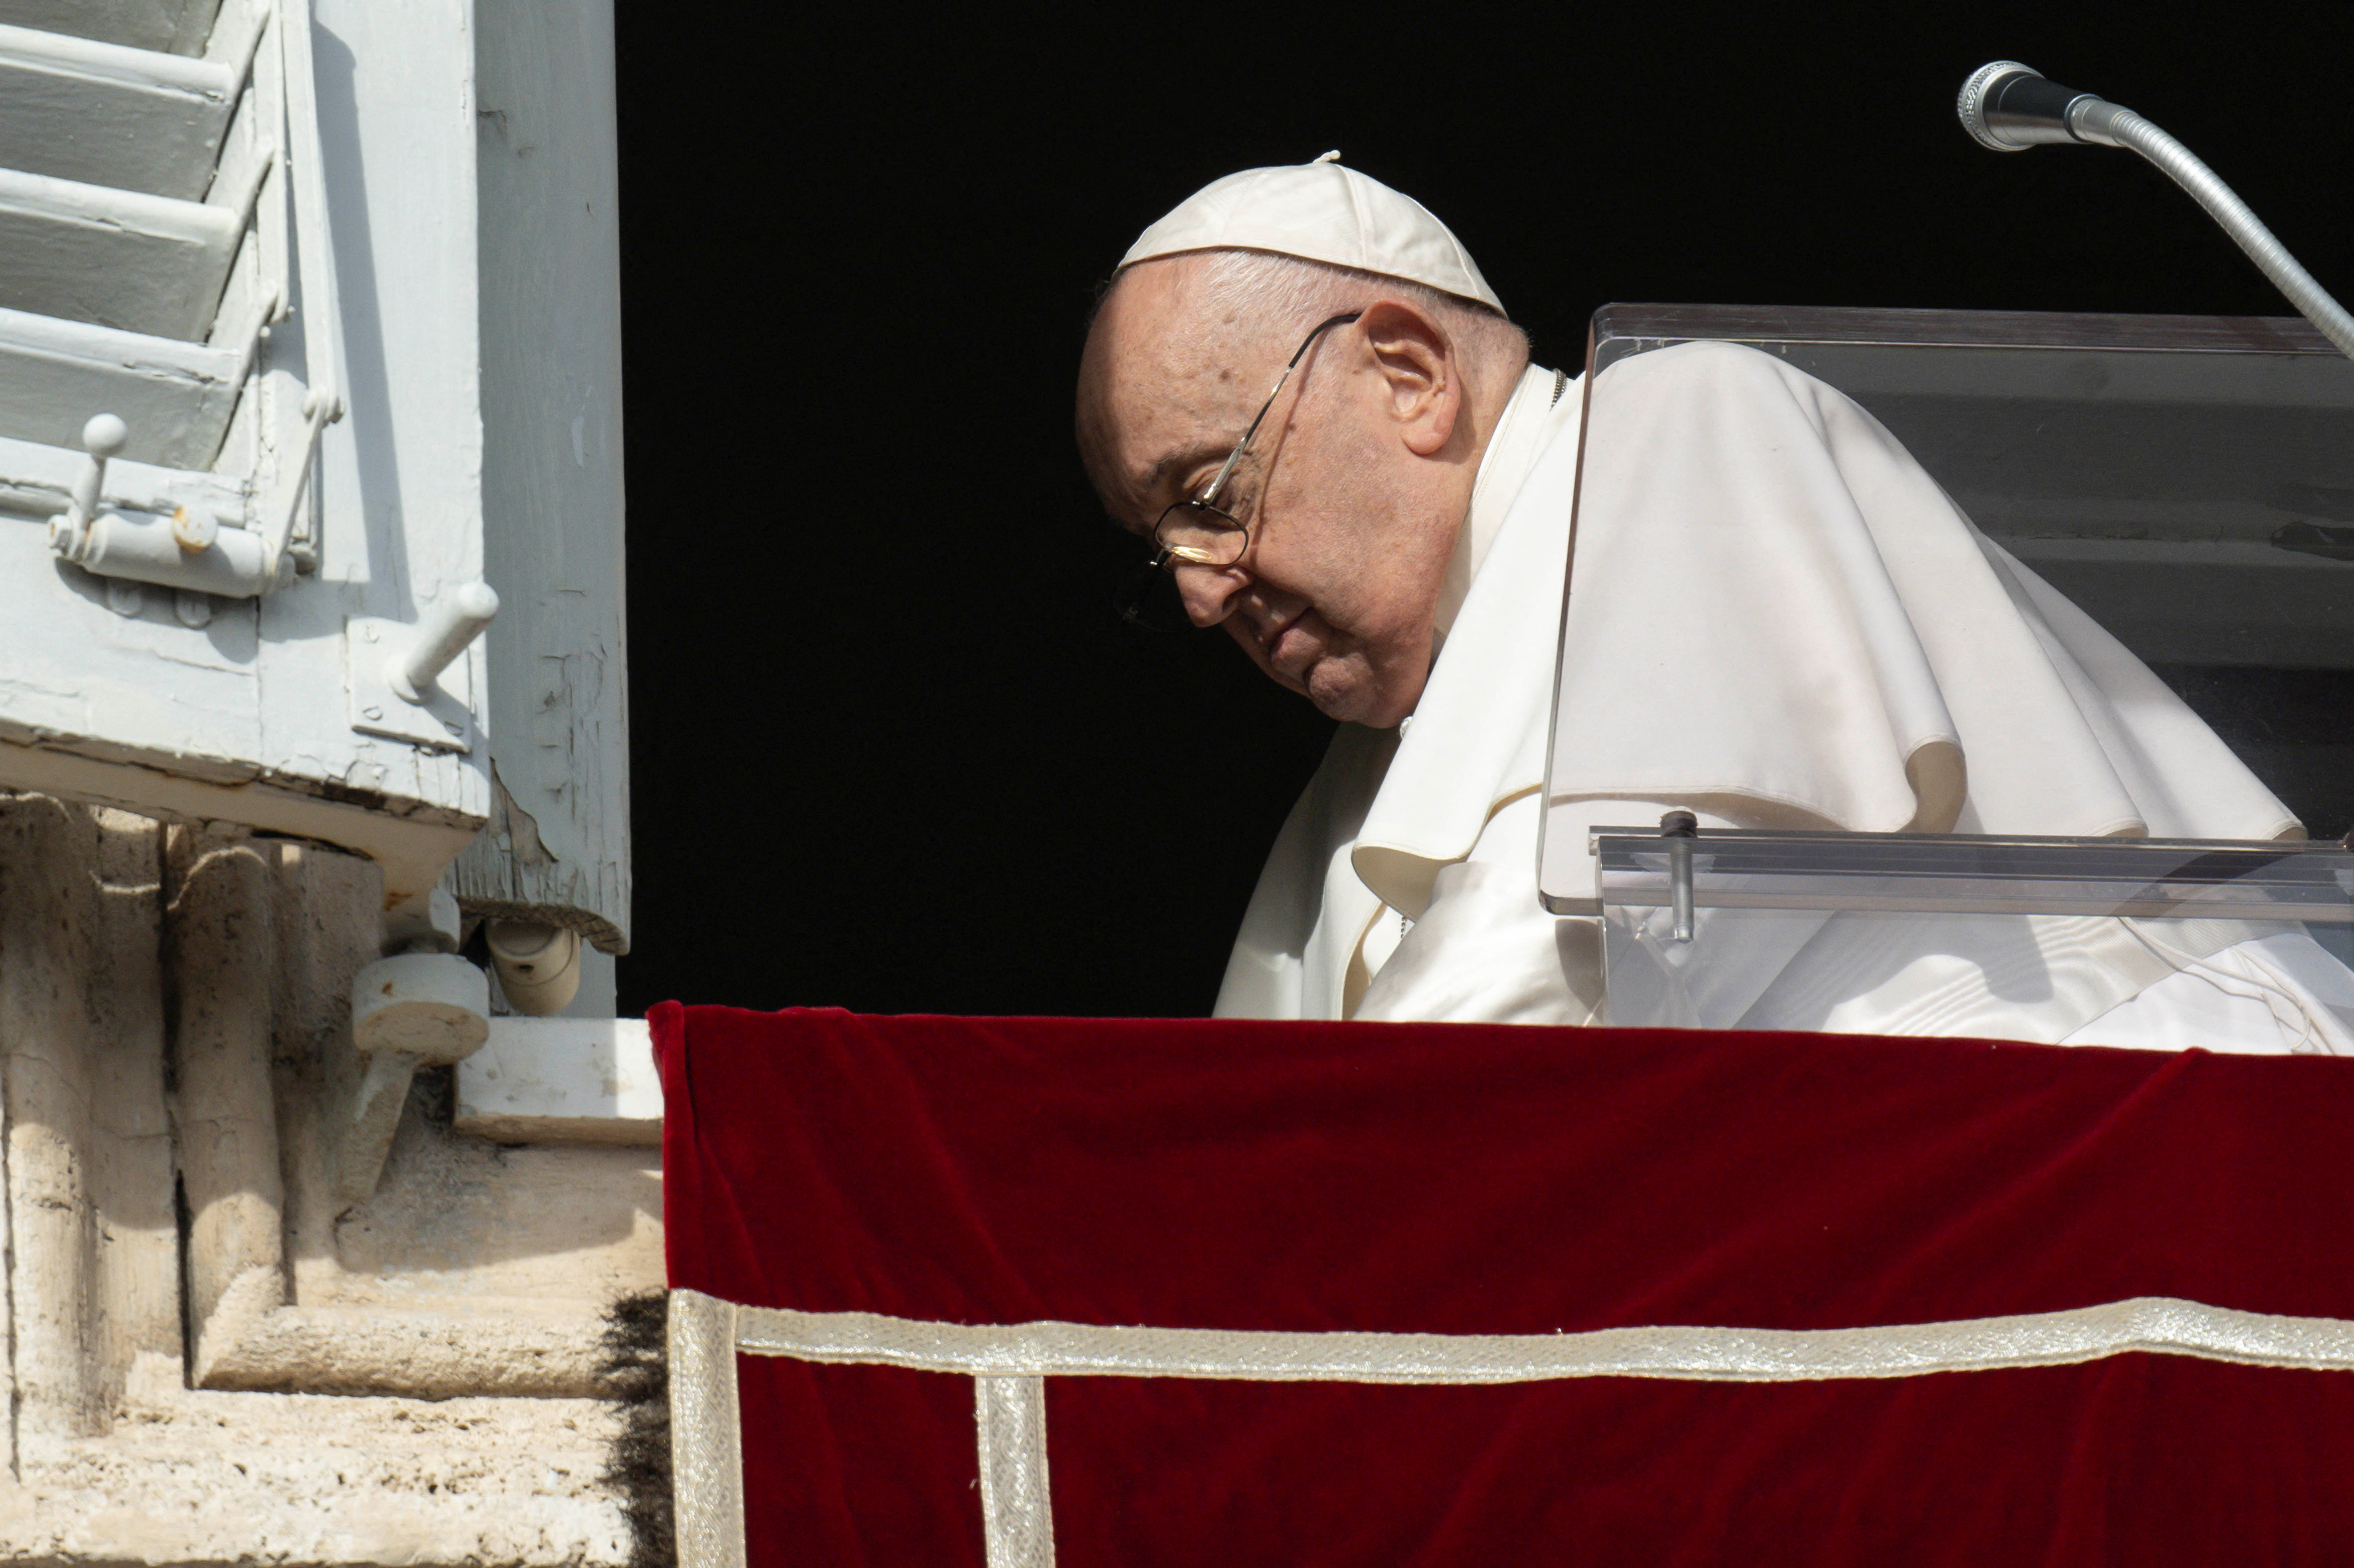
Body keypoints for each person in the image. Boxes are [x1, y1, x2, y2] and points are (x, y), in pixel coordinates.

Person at [1076, 154, 2354, 1052]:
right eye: (1159, 550)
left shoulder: (1681, 426)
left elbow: (1538, 998)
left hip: (2170, 1155)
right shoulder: (1360, 780)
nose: (1200, 594)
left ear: (1410, 373)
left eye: (1212, 493)